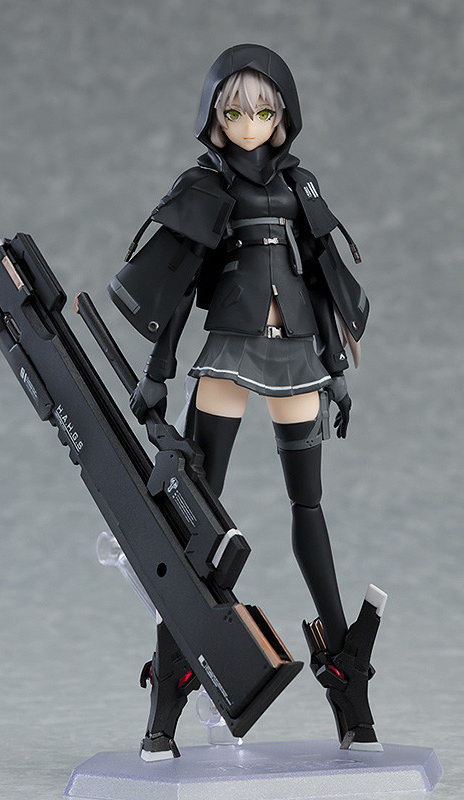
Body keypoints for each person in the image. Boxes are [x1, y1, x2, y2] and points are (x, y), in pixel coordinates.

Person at [109, 43, 382, 759]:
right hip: (229, 351)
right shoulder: (206, 187)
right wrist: (158, 372)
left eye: (263, 110)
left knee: (308, 508)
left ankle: (345, 676)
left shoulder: (300, 187)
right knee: (196, 521)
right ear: (214, 116)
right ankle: (170, 688)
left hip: (298, 356)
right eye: (235, 111)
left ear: (283, 115)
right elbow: (175, 287)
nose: (250, 123)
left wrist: (337, 371)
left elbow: (320, 279)